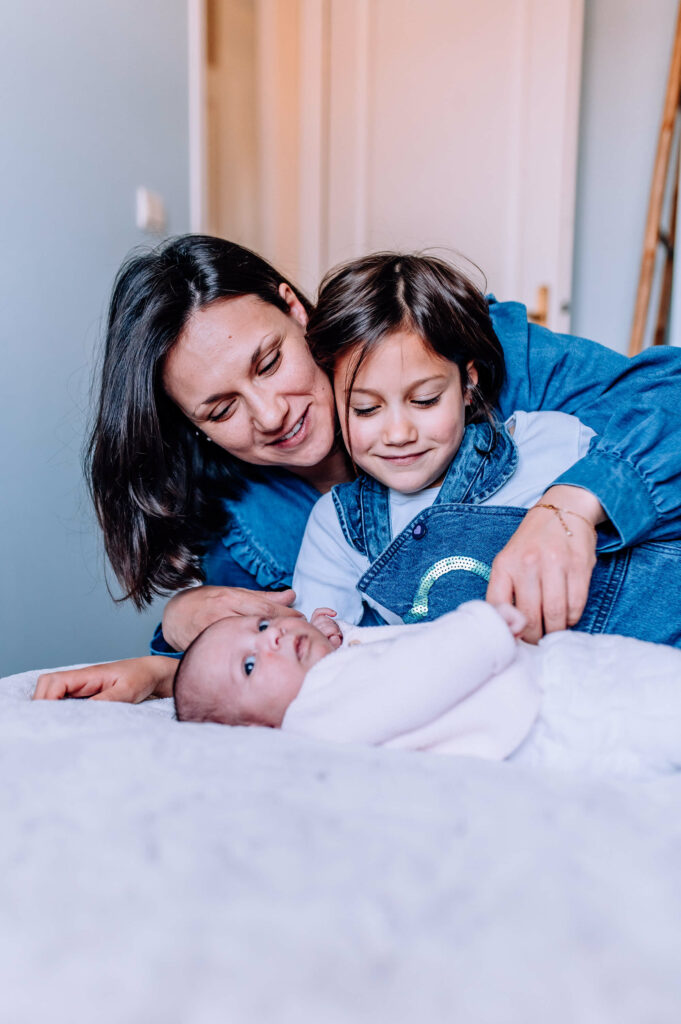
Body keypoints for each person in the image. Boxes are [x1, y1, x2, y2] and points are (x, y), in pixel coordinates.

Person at [32, 235, 681, 704]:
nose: (269, 414)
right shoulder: (242, 525)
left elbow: (666, 394)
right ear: (192, 426)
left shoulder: (437, 342)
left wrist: (570, 504)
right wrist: (161, 665)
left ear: (293, 309)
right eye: (222, 408)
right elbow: (275, 665)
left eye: (267, 363)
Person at [293, 253, 681, 646]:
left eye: (425, 400)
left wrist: (575, 507)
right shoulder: (336, 528)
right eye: (366, 408)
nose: (398, 433)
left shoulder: (549, 441)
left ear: (467, 384)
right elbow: (314, 665)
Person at [173, 602, 681, 781]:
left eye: (262, 626)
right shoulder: (310, 718)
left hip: (550, 681)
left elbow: (373, 664)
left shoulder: (327, 685)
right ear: (255, 732)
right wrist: (480, 628)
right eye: (249, 664)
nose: (273, 637)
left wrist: (341, 635)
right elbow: (410, 678)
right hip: (549, 712)